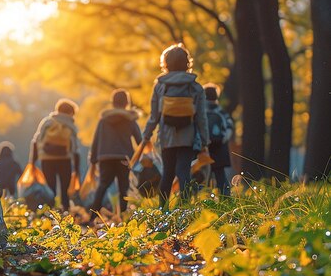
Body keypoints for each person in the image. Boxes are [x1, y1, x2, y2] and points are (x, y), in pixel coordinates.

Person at [142, 44, 209, 208]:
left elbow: (154, 116)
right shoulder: (195, 87)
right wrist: (205, 140)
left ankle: (163, 210)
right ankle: (184, 209)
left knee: (167, 173)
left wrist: (146, 135)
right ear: (187, 63)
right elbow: (201, 117)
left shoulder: (160, 86)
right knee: (184, 171)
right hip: (188, 137)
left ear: (166, 63)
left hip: (167, 136)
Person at [88, 89, 142, 219]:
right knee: (124, 187)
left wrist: (94, 159)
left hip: (105, 156)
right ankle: (122, 216)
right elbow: (139, 140)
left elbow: (96, 139)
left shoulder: (104, 120)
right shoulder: (130, 119)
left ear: (112, 102)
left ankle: (92, 216)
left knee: (103, 185)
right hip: (124, 157)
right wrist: (143, 156)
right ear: (127, 103)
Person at [30, 99, 80, 211]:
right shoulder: (71, 125)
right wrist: (77, 169)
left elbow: (36, 141)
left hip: (47, 159)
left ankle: (50, 213)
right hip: (65, 160)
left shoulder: (47, 122)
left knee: (50, 188)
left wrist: (32, 162)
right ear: (71, 113)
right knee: (65, 190)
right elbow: (75, 148)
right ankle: (66, 214)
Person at [203, 83, 234, 196]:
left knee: (204, 176)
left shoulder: (202, 112)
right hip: (219, 148)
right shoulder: (221, 112)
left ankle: (204, 199)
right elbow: (229, 127)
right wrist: (223, 139)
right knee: (220, 175)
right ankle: (225, 198)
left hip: (205, 148)